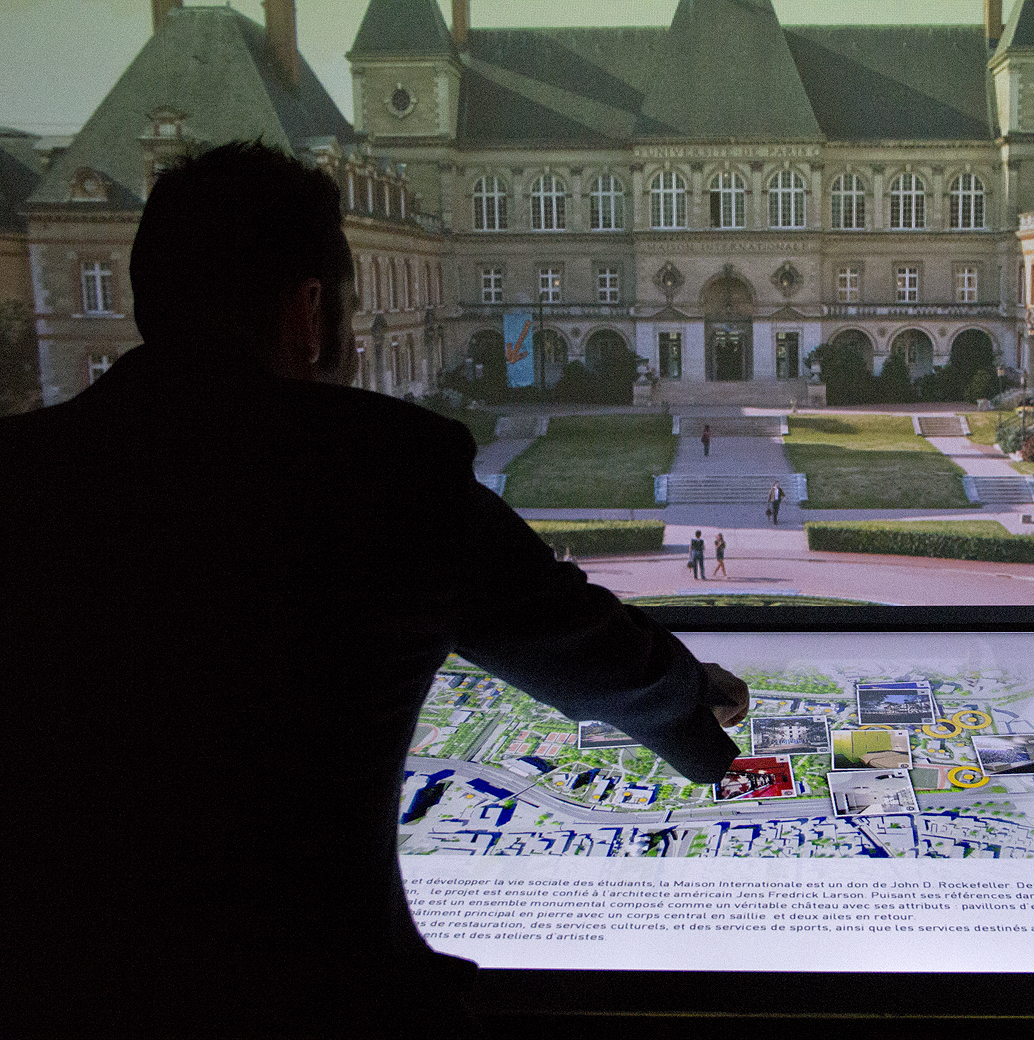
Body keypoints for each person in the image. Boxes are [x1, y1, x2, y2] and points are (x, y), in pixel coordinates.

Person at [0, 142, 748, 1036]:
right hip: (324, 1005)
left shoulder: (17, 476)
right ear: (308, 310)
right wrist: (696, 710)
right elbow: (575, 643)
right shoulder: (383, 470)